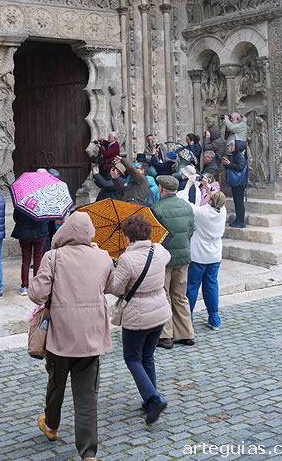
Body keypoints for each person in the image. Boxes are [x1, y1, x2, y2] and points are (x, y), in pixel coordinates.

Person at [29, 212, 114, 461]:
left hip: (61, 335)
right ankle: (88, 454)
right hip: (92, 335)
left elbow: (36, 294)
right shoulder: (102, 256)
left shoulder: (53, 257)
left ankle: (52, 426)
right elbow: (111, 286)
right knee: (87, 396)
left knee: (56, 384)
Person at [110, 215, 171, 424]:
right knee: (147, 356)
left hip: (138, 314)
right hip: (160, 310)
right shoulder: (160, 251)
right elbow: (167, 259)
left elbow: (116, 289)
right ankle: (149, 399)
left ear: (129, 237)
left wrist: (116, 268)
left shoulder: (127, 259)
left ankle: (153, 399)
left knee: (132, 358)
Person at [151, 175, 195, 349]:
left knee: (164, 296)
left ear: (160, 189)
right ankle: (186, 333)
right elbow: (191, 230)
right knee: (180, 295)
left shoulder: (156, 208)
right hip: (183, 257)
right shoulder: (186, 207)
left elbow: (154, 237)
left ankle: (166, 335)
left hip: (165, 259)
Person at [179, 178, 227, 330]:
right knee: (211, 285)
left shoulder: (201, 212)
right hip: (215, 254)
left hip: (199, 254)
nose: (208, 195)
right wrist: (207, 186)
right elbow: (216, 196)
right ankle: (214, 318)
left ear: (211, 201)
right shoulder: (223, 210)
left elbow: (183, 201)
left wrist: (188, 185)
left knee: (192, 287)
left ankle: (188, 319)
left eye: (209, 195)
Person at [11, 208, 48, 295]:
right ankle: (37, 286)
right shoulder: (41, 203)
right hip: (39, 232)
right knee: (38, 259)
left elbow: (15, 217)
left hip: (24, 233)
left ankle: (24, 286)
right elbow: (46, 218)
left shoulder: (21, 203)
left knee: (25, 260)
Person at [222, 140, 248, 228]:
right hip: (237, 182)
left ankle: (240, 221)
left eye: (232, 145)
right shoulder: (236, 155)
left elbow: (240, 167)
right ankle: (238, 219)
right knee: (237, 202)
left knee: (239, 202)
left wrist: (229, 164)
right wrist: (227, 164)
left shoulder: (239, 156)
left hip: (239, 183)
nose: (231, 147)